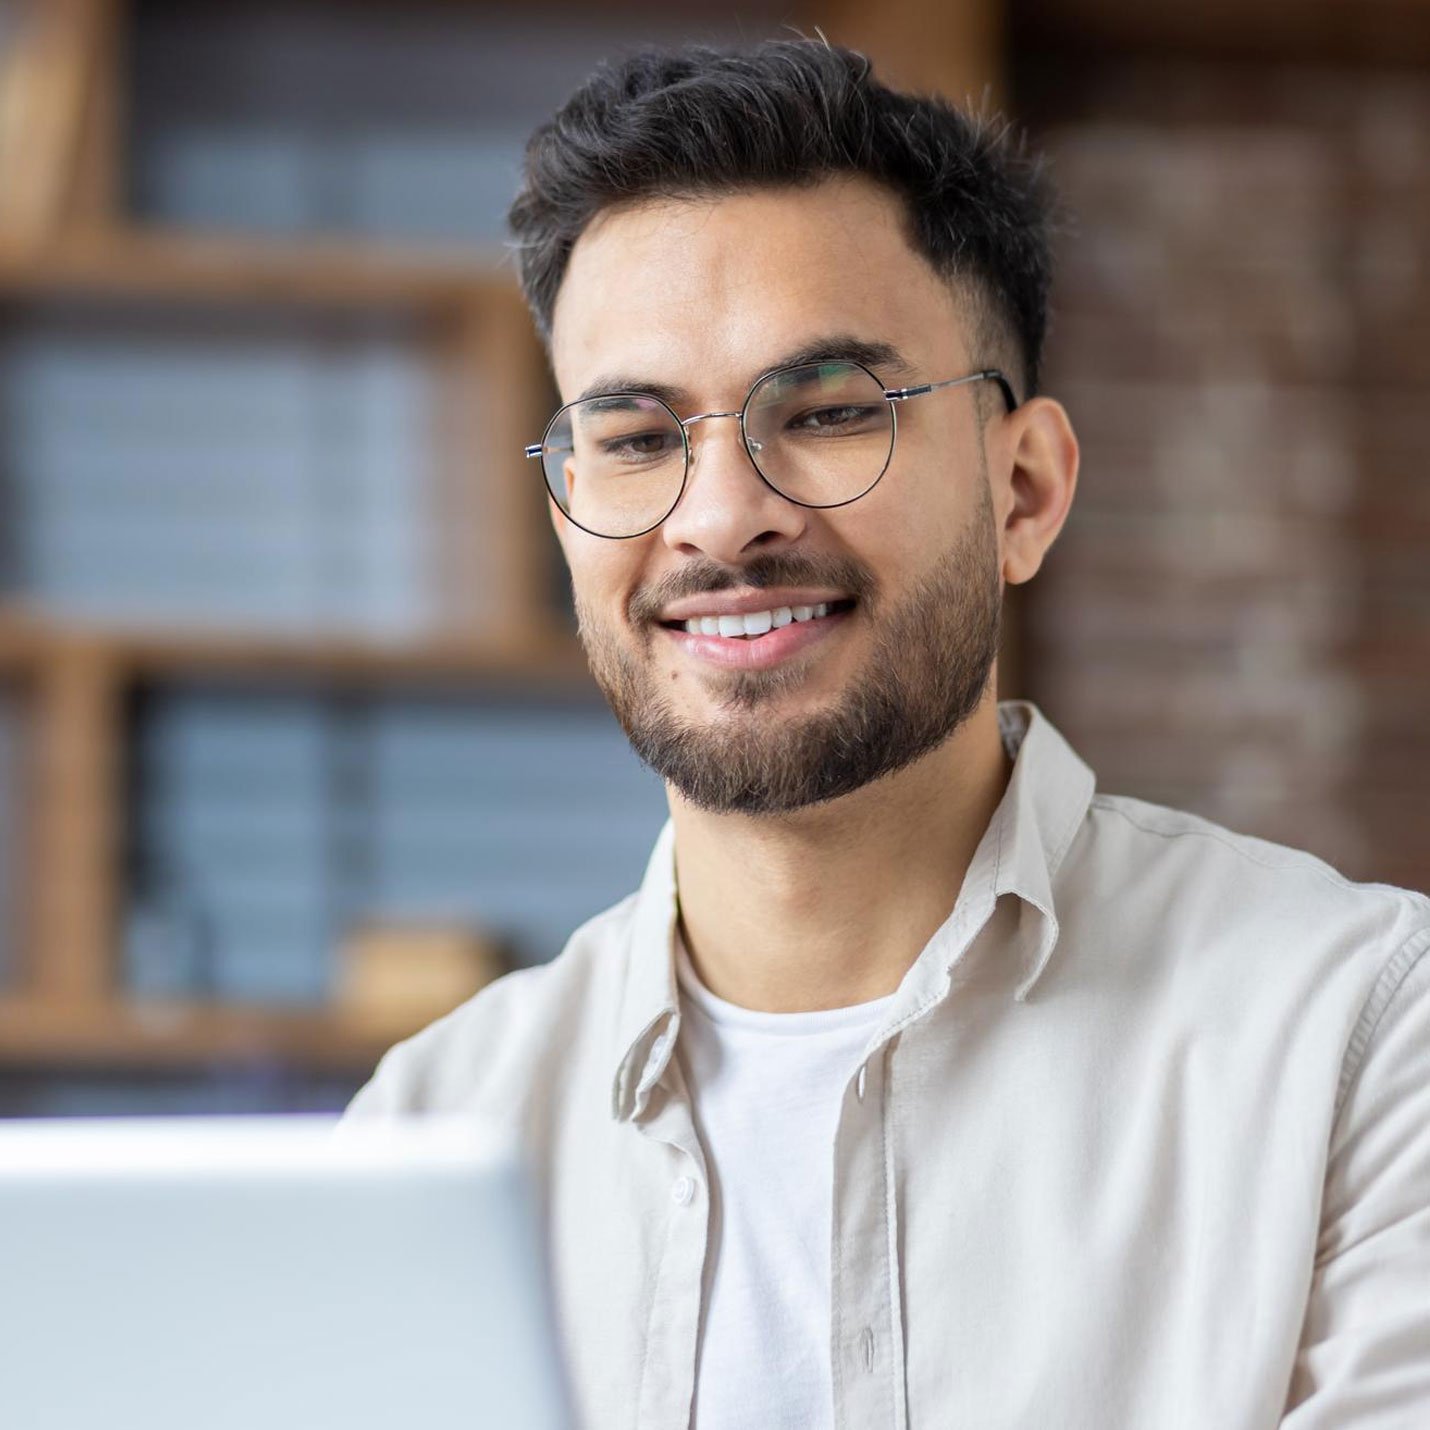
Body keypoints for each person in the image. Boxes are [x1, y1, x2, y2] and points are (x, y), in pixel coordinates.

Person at [343, 39, 1430, 1429]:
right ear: (567, 518)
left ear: (1023, 488)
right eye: (631, 437)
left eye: (831, 413)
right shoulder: (432, 1131)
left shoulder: (1358, 1038)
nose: (720, 515)